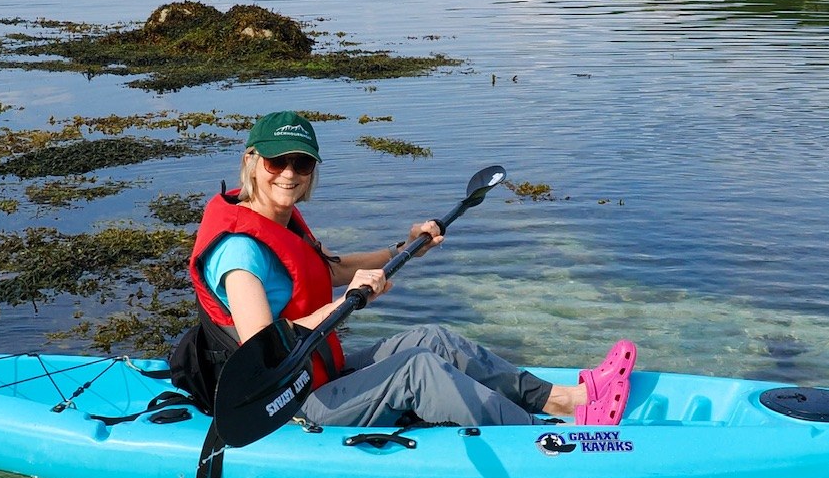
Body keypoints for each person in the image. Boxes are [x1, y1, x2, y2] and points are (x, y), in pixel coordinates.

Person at [181, 110, 636, 430]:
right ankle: (535, 438)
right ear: (253, 162)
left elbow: (328, 269)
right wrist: (343, 305)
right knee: (418, 369)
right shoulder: (239, 250)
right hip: (286, 405)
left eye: (301, 163)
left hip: (320, 374)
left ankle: (562, 400)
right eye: (277, 161)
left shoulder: (277, 220)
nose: (289, 173)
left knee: (432, 339)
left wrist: (405, 248)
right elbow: (263, 349)